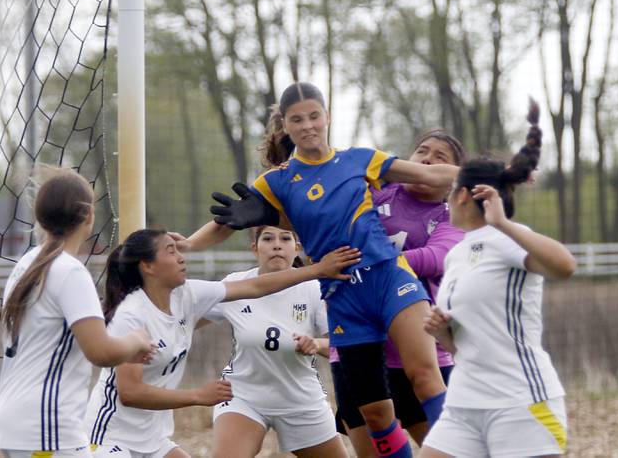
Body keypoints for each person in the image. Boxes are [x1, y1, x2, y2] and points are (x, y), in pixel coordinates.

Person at [179, 82, 460, 458]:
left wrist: (497, 175)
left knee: (426, 376)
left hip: (388, 278)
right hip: (344, 295)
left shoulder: (360, 160)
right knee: (376, 413)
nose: (308, 125)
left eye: (314, 116)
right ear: (286, 125)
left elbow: (433, 177)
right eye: (298, 119)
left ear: (327, 116)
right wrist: (188, 245)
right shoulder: (277, 181)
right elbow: (230, 221)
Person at [87, 228, 358, 458]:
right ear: (147, 266)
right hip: (111, 437)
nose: (183, 257)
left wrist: (318, 272)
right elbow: (130, 392)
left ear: (297, 246)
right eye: (172, 251)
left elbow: (255, 288)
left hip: (155, 439)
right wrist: (197, 395)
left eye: (285, 238)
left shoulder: (189, 295)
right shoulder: (132, 316)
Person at [420, 102, 575, 457]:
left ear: (462, 194)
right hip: (463, 402)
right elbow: (467, 347)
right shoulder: (457, 253)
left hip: (521, 401)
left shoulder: (508, 236)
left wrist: (502, 223)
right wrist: (442, 331)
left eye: (451, 190)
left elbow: (566, 266)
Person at [0, 168, 156, 458]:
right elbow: (100, 352)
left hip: (13, 423)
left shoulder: (26, 265)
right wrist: (137, 340)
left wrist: (125, 351)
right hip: (46, 427)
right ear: (89, 216)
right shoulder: (69, 271)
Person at [334, 130, 465, 455]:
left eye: (440, 157)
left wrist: (370, 263)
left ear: (452, 179)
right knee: (374, 445)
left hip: (420, 349)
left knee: (448, 447)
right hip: (357, 338)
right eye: (422, 151)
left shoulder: (451, 217)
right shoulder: (377, 191)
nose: (428, 160)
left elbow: (435, 258)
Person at [204, 225, 348, 458]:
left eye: (285, 238)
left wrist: (316, 344)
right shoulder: (236, 284)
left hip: (300, 399)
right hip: (243, 396)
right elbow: (188, 318)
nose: (277, 245)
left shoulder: (313, 289)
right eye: (268, 239)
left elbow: (342, 343)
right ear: (255, 248)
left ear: (297, 247)